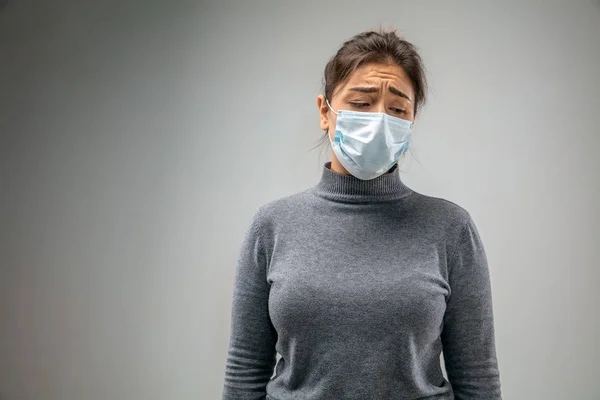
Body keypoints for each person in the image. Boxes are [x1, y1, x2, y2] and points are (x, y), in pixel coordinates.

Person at [222, 29, 501, 400]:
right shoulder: (272, 226)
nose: (379, 120)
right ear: (325, 111)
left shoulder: (450, 228)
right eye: (361, 103)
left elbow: (477, 376)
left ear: (411, 121)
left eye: (398, 109)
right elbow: (245, 368)